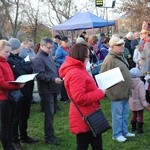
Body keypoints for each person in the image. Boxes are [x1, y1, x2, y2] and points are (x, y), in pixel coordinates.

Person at [59, 43, 105, 150]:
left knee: (91, 144)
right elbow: (79, 98)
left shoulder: (78, 69)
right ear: (81, 57)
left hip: (88, 113)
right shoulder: (76, 72)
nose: (89, 58)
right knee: (85, 145)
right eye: (88, 56)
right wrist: (100, 92)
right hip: (85, 116)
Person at [101, 35, 135, 143]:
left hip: (124, 92)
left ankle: (124, 131)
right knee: (117, 116)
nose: (122, 46)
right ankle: (117, 134)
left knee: (125, 114)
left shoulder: (120, 55)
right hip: (116, 93)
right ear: (112, 46)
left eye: (122, 44)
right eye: (119, 44)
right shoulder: (109, 58)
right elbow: (103, 76)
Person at [7, 38, 37, 149]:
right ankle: (15, 140)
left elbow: (30, 68)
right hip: (17, 92)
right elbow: (20, 72)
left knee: (25, 115)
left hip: (27, 90)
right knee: (16, 117)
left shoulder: (20, 58)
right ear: (16, 47)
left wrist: (26, 67)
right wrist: (26, 68)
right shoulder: (10, 60)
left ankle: (24, 136)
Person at [32, 37, 63, 146]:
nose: (50, 50)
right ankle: (48, 137)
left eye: (51, 48)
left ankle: (51, 134)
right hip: (46, 90)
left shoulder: (47, 56)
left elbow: (52, 69)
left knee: (53, 112)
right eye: (49, 48)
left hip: (53, 88)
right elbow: (40, 75)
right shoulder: (38, 58)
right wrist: (53, 79)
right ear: (42, 46)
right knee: (49, 115)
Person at [0, 39, 24, 150]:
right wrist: (17, 86)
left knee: (9, 124)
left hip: (9, 97)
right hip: (2, 98)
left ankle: (10, 145)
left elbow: (9, 78)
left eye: (9, 51)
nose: (8, 54)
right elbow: (1, 84)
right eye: (6, 52)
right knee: (4, 126)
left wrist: (16, 82)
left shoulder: (5, 62)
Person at [129, 67, 150, 134]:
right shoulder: (140, 83)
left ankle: (133, 127)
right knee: (140, 115)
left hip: (132, 102)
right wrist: (145, 104)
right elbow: (142, 95)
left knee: (134, 114)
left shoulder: (129, 82)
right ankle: (139, 130)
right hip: (139, 103)